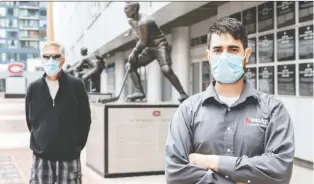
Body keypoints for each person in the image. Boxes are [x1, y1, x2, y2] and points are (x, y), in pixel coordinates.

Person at [165, 17, 295, 184]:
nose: (224, 56)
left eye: (233, 49)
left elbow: (280, 170)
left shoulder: (273, 110)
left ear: (246, 55)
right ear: (209, 56)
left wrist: (212, 162)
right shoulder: (188, 110)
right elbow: (175, 173)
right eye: (218, 50)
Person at [25, 41, 91, 184]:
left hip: (69, 155)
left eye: (55, 56)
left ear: (63, 59)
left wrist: (76, 146)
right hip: (42, 156)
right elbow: (30, 121)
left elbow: (85, 119)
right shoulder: (33, 88)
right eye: (46, 57)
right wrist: (40, 142)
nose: (50, 61)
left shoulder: (76, 85)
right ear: (41, 59)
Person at [124, 2, 189, 102]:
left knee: (166, 70)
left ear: (134, 10)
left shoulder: (145, 21)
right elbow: (139, 36)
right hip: (148, 49)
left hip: (159, 45)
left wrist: (134, 53)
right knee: (131, 66)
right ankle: (139, 92)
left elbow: (143, 41)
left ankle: (183, 94)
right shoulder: (132, 20)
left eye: (126, 9)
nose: (125, 11)